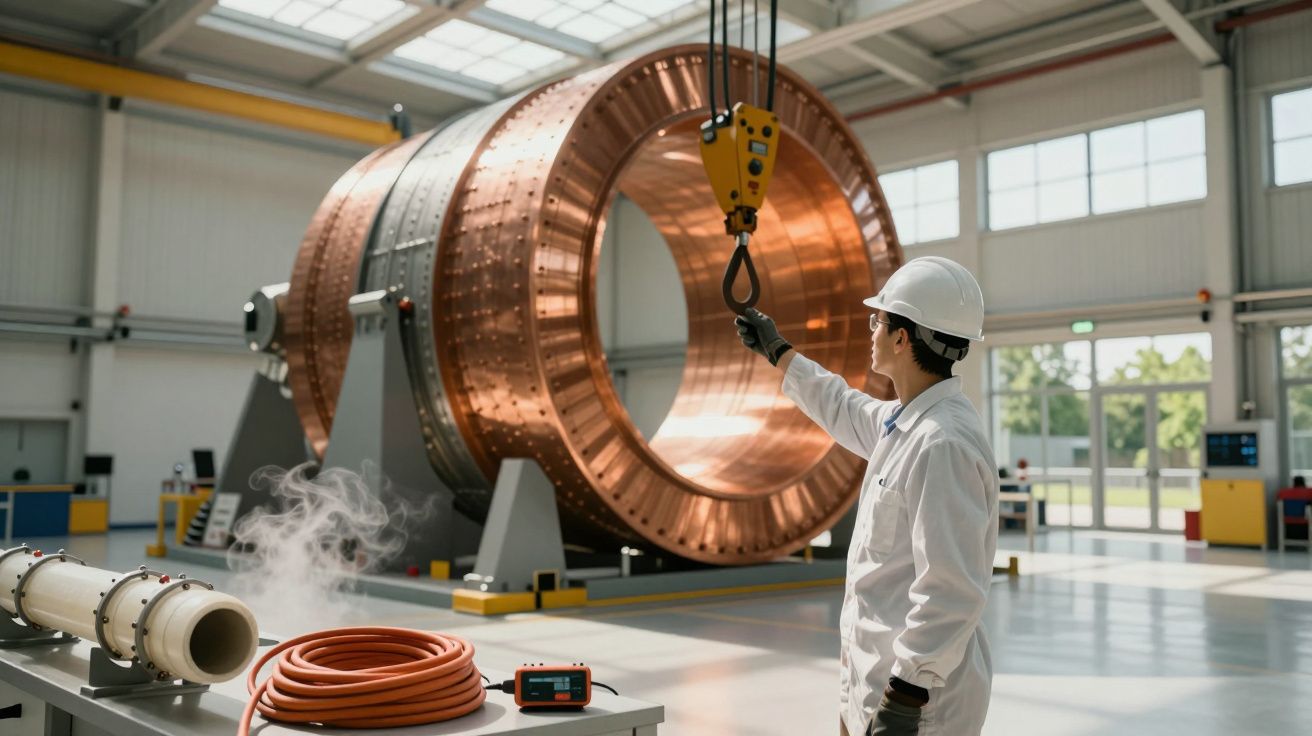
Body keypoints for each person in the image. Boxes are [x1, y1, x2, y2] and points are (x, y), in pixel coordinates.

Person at [734, 256, 998, 736]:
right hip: (875, 686)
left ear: (902, 337)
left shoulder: (942, 444)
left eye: (878, 320)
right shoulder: (905, 423)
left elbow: (952, 589)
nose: (871, 329)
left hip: (919, 708)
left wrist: (903, 698)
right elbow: (842, 405)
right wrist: (779, 351)